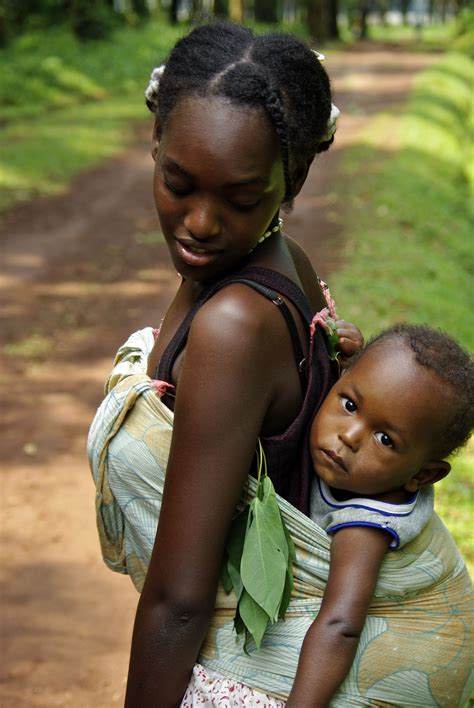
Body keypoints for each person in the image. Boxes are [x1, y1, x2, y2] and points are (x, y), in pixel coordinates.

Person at [88, 22, 473, 707]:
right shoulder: (277, 261)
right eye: (178, 182)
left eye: (240, 199)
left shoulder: (235, 325)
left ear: (291, 179)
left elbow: (179, 601)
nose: (200, 223)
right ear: (154, 144)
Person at [286, 323, 474, 706]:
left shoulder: (366, 525)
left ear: (422, 475)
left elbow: (341, 624)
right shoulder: (357, 462)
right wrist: (340, 347)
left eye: (385, 439)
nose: (350, 436)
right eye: (350, 405)